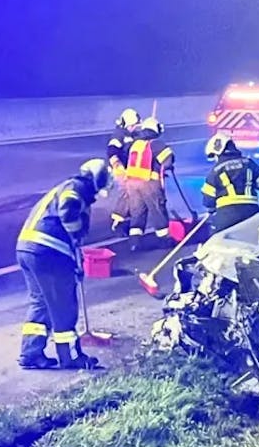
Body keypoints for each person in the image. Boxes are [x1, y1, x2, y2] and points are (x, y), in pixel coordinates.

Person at [16, 159, 110, 371]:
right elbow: (68, 212)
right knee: (64, 306)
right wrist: (76, 234)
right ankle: (70, 357)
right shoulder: (76, 188)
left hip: (27, 248)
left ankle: (31, 354)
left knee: (41, 303)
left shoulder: (65, 186)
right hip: (49, 251)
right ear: (96, 180)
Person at [120, 116, 174, 250]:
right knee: (158, 210)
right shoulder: (156, 143)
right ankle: (164, 241)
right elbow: (168, 160)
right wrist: (166, 167)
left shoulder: (134, 144)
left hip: (132, 184)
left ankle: (134, 242)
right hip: (149, 183)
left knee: (137, 212)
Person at [201, 134, 259, 232]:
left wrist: (213, 208)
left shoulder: (215, 171)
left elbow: (208, 200)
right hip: (251, 213)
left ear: (218, 153)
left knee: (221, 242)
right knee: (253, 241)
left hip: (226, 216)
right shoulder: (249, 163)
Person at [106, 108, 140, 231]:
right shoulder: (119, 135)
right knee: (127, 192)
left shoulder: (133, 135)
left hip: (129, 169)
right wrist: (117, 165)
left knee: (133, 194)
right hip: (120, 169)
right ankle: (118, 221)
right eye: (132, 125)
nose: (134, 127)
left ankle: (126, 219)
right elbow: (112, 151)